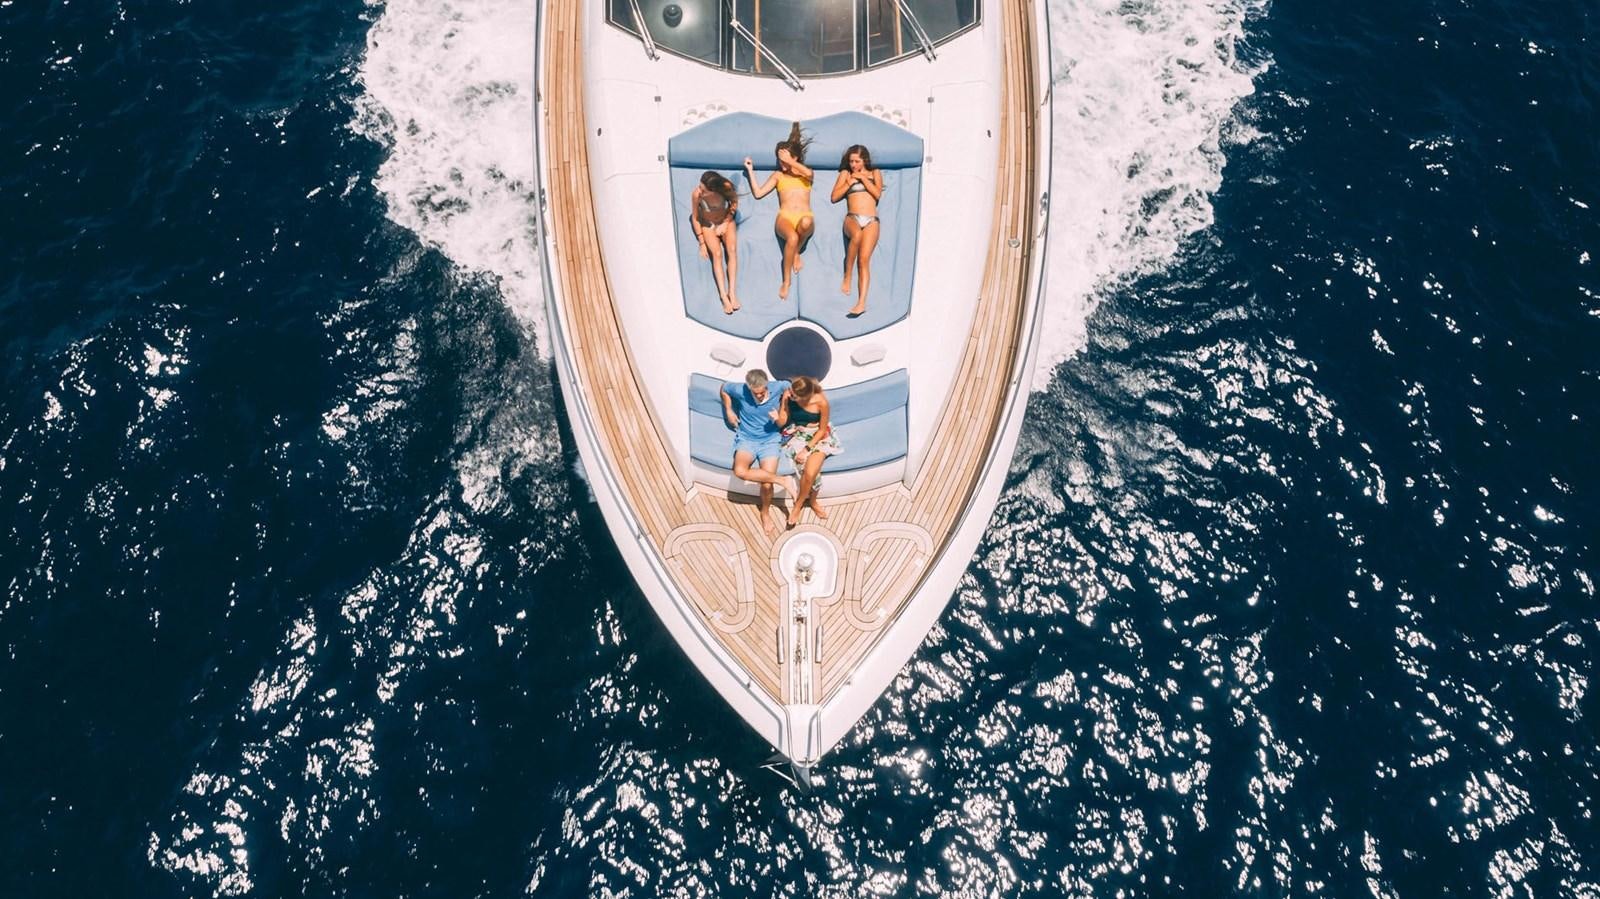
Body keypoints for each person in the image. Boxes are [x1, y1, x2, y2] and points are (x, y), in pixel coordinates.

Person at [720, 368, 800, 535]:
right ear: (748, 388)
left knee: (766, 483)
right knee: (739, 471)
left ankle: (765, 513)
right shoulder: (740, 390)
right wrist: (729, 410)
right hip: (746, 439)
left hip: (770, 440)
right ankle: (783, 481)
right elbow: (724, 388)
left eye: (762, 392)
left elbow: (791, 387)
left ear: (767, 385)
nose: (759, 396)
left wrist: (785, 403)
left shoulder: (778, 387)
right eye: (755, 393)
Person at [744, 122, 814, 301]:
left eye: (783, 160)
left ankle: (796, 251)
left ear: (795, 158)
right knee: (791, 237)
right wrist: (750, 171)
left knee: (805, 224)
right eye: (779, 160)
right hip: (785, 217)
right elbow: (759, 193)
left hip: (804, 216)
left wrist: (790, 161)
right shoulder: (778, 176)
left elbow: (808, 173)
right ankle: (786, 281)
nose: (781, 163)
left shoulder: (806, 174)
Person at [777, 375, 841, 527]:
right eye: (791, 392)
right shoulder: (788, 397)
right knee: (808, 471)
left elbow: (822, 429)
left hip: (818, 438)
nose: (791, 396)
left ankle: (801, 504)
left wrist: (806, 450)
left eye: (795, 396)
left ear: (807, 396)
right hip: (798, 435)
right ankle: (811, 501)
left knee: (811, 472)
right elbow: (781, 421)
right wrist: (784, 403)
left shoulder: (821, 402)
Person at [829, 144, 883, 317]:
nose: (853, 165)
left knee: (864, 260)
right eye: (851, 161)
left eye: (856, 161)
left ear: (864, 160)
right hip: (852, 217)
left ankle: (861, 303)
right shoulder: (845, 174)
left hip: (871, 220)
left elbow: (877, 194)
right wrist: (850, 182)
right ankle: (848, 274)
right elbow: (834, 197)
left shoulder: (875, 173)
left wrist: (863, 178)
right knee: (856, 236)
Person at [690, 171, 741, 314]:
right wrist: (701, 243)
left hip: (725, 221)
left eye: (703, 189)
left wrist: (726, 223)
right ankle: (723, 296)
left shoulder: (725, 187)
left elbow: (734, 202)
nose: (699, 190)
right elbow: (695, 218)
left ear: (713, 190)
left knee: (731, 250)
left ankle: (732, 292)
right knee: (717, 255)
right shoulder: (697, 194)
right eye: (700, 186)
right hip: (709, 224)